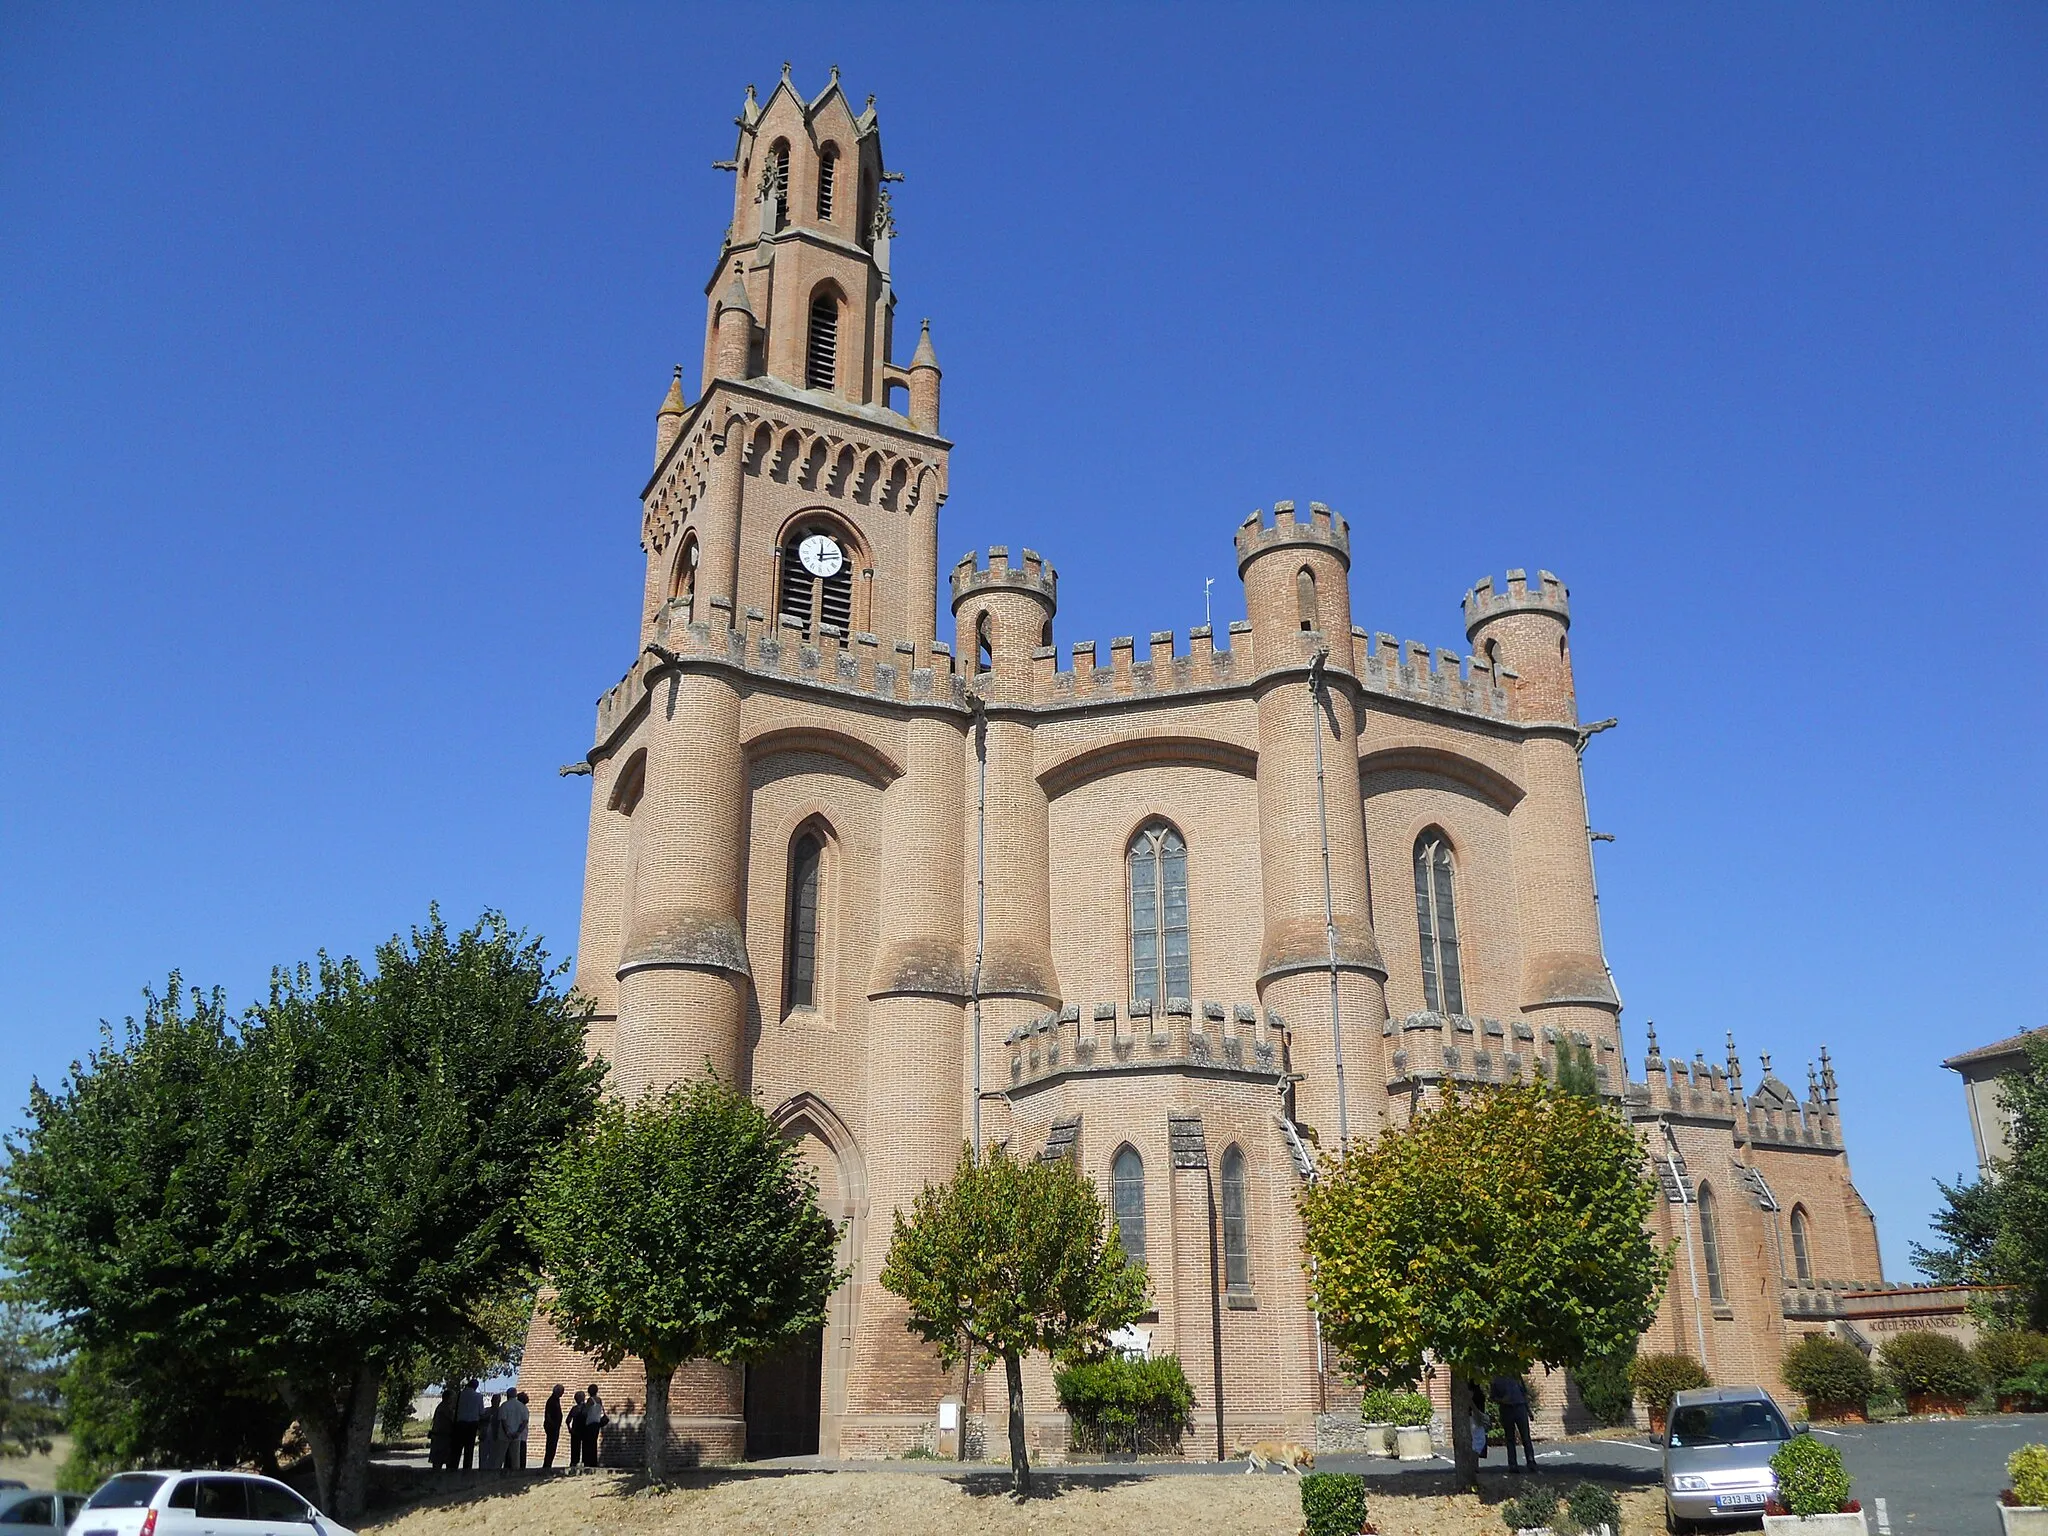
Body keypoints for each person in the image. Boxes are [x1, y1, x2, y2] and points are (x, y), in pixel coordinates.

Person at [1490, 1373, 1534, 1472]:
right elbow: (1492, 1397)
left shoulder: (1516, 1375)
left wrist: (1529, 1411)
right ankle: (1513, 1464)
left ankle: (1531, 1461)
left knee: (1526, 1437)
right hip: (1506, 1408)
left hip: (1520, 1407)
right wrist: (1501, 1400)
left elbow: (1524, 1393)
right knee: (1510, 1438)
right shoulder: (1496, 1378)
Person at [454, 1378, 484, 1471]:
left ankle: (453, 1466)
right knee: (469, 1448)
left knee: (457, 1447)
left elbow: (456, 1408)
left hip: (460, 1423)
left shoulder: (460, 1394)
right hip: (472, 1424)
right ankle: (467, 1468)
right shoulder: (478, 1396)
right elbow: (481, 1411)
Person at [501, 1389, 530, 1469]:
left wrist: (507, 1432)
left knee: (508, 1458)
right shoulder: (523, 1408)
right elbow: (525, 1421)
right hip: (521, 1436)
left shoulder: (505, 1405)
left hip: (508, 1435)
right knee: (519, 1458)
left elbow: (503, 1420)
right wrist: (518, 1432)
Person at [429, 1388, 456, 1470]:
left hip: (441, 1436)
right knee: (439, 1460)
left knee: (440, 1460)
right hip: (441, 1437)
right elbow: (452, 1418)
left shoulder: (441, 1406)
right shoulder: (445, 1408)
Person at [583, 1384, 608, 1469]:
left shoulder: (590, 1400)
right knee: (594, 1442)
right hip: (597, 1423)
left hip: (590, 1423)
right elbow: (602, 1410)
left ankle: (588, 1461)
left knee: (588, 1443)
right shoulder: (599, 1400)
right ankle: (594, 1462)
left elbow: (585, 1411)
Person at [542, 1385, 565, 1470]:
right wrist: (552, 1425)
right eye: (562, 1392)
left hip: (555, 1427)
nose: (562, 1394)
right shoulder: (552, 1400)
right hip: (552, 1427)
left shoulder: (556, 1400)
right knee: (550, 1446)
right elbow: (548, 1414)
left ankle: (548, 1464)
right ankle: (547, 1465)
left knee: (552, 1447)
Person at [566, 1390, 588, 1471]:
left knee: (575, 1449)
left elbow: (567, 1420)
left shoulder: (574, 1408)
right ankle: (585, 1463)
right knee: (585, 1448)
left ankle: (574, 1464)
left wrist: (570, 1429)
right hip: (585, 1431)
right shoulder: (587, 1408)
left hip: (575, 1431)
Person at [1467, 1381, 1489, 1461]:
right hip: (1474, 1416)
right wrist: (1476, 1412)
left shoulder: (1477, 1389)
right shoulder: (1472, 1389)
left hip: (1476, 1415)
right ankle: (1473, 1464)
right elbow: (1469, 1401)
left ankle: (1475, 1464)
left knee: (1479, 1440)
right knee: (1478, 1440)